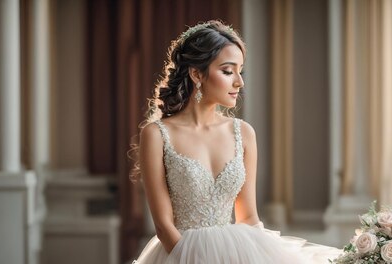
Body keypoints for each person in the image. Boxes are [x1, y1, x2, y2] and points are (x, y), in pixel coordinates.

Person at [131, 20, 342, 263]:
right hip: (178, 253)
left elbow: (248, 216)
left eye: (240, 71)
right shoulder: (156, 134)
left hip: (235, 253)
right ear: (197, 73)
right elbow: (163, 225)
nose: (239, 82)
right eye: (228, 71)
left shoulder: (244, 133)